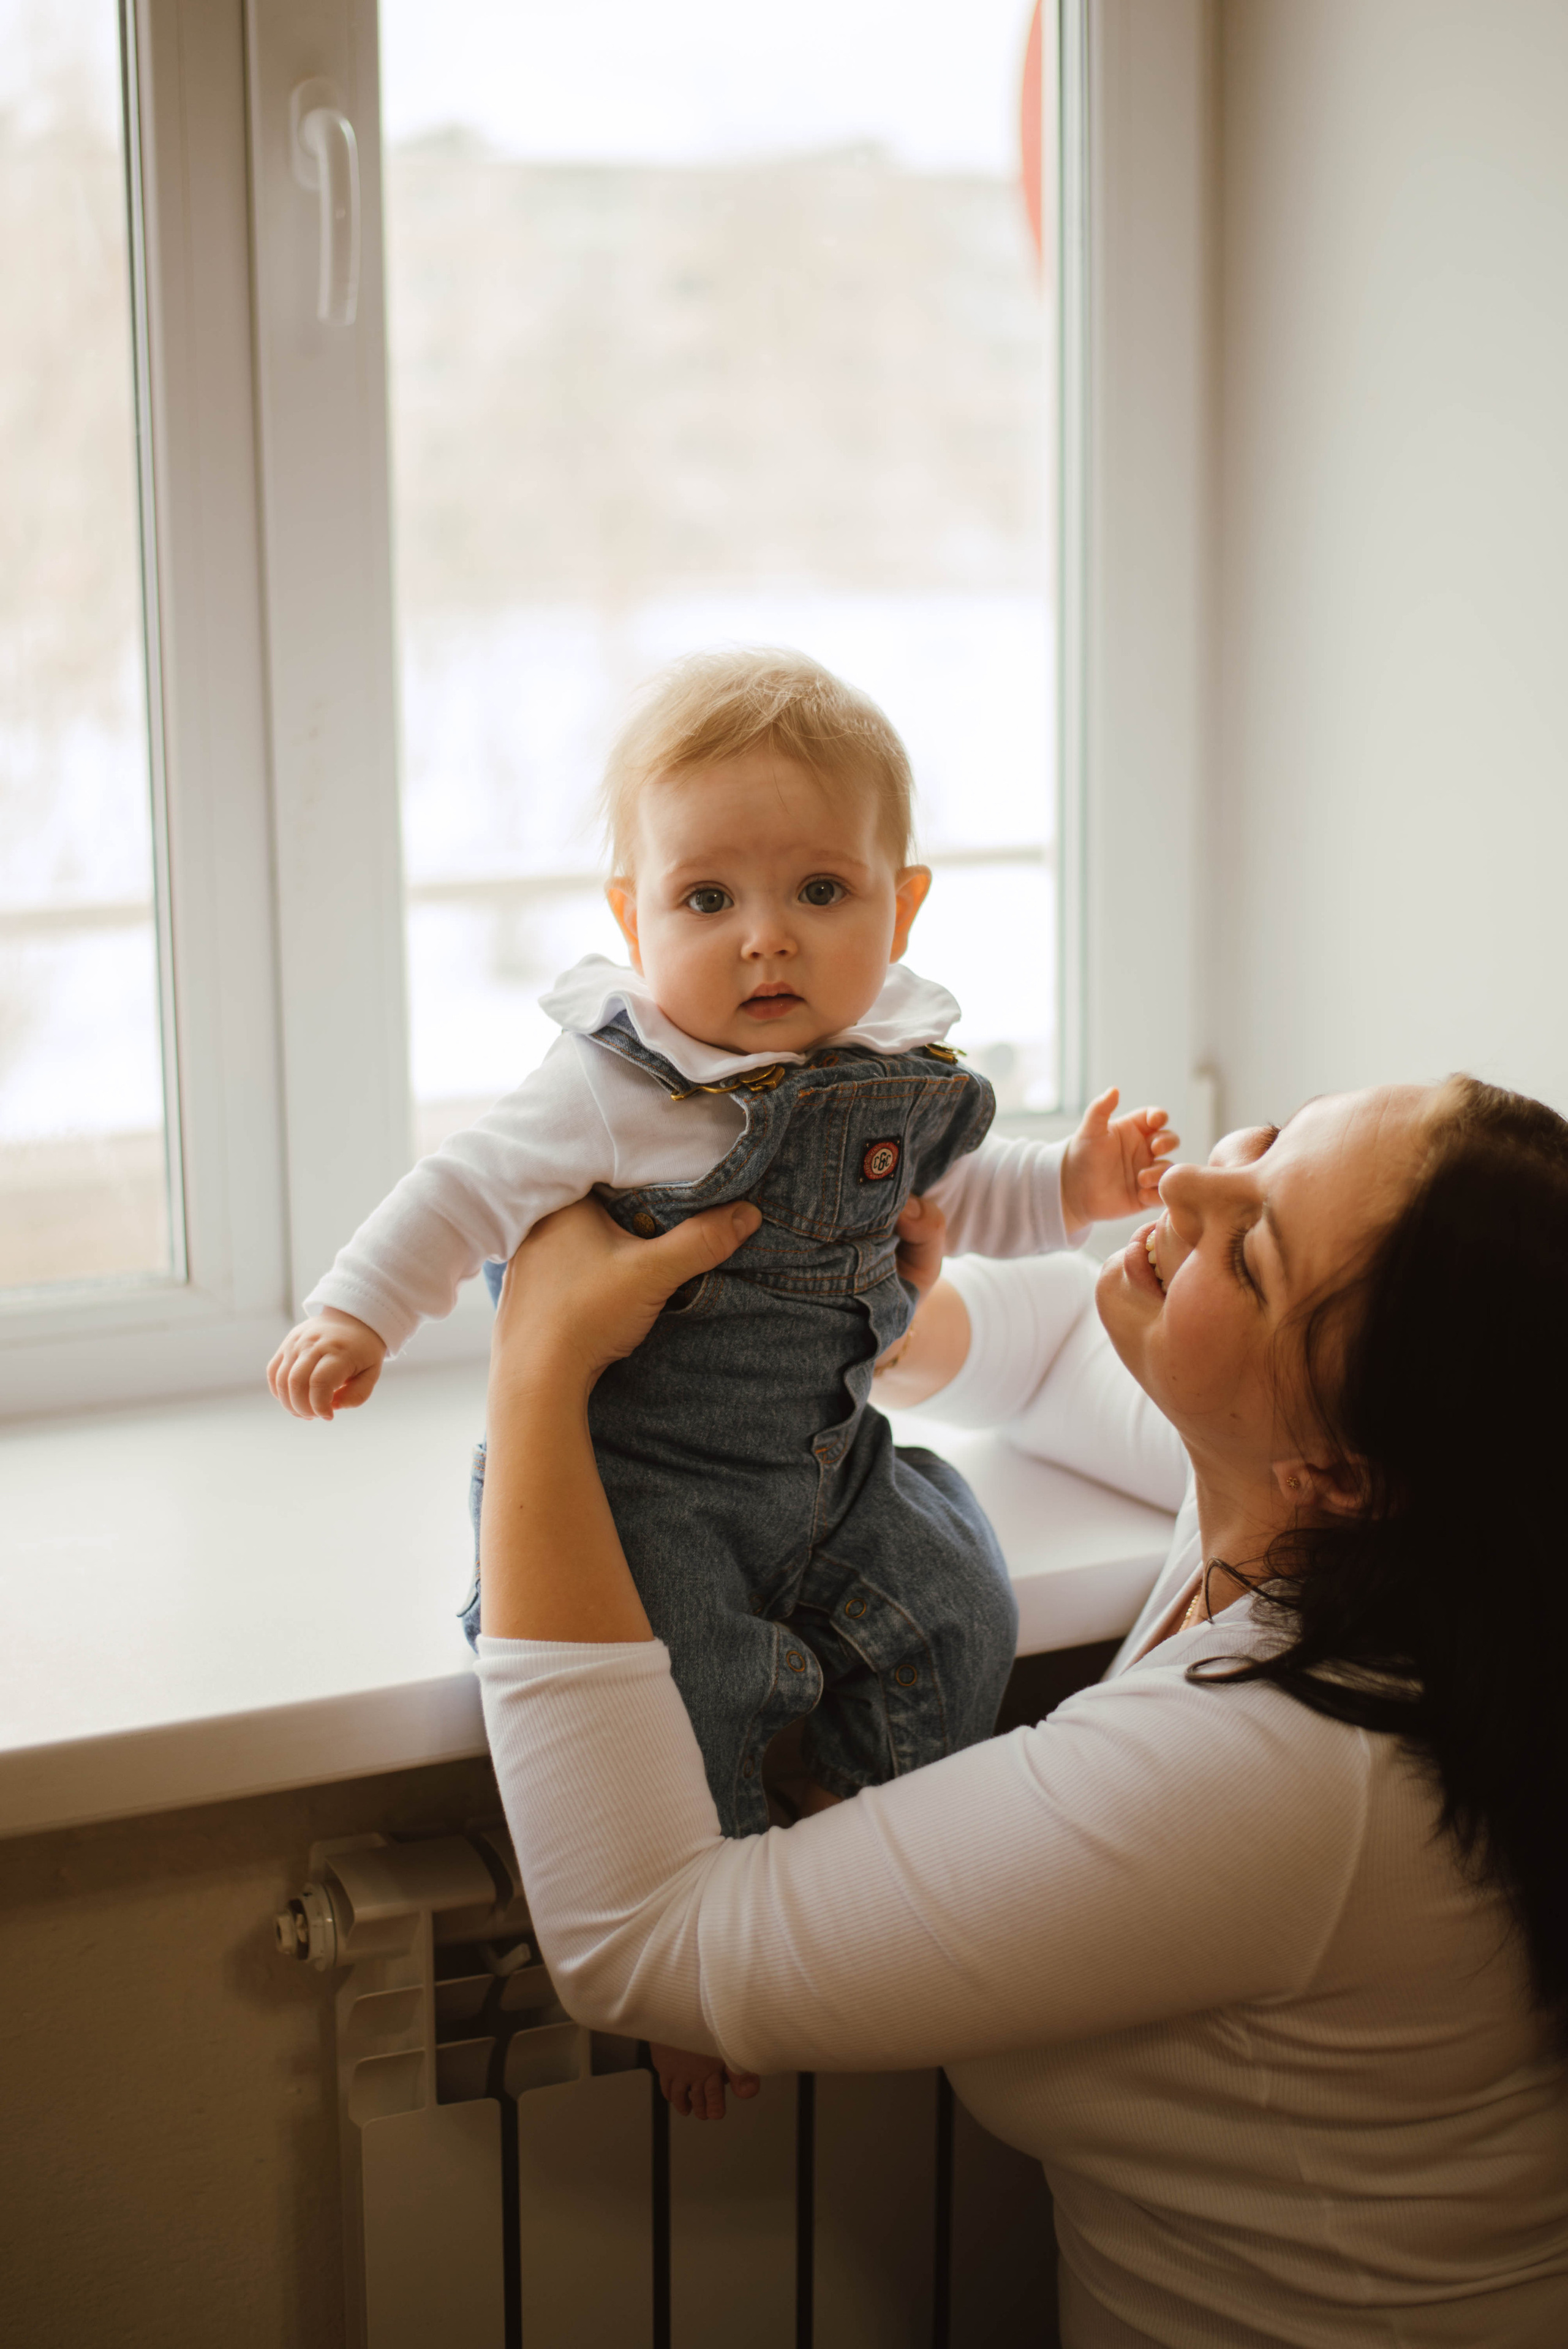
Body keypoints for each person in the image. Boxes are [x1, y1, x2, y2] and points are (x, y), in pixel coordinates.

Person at [470, 1076, 1568, 2345]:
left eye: (1252, 1250)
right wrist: (821, 1322)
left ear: (1335, 1473)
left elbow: (645, 1946)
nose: (1195, 1182)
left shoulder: (1289, 1764)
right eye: (1265, 1142)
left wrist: (539, 1371)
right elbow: (1051, 1351)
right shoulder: (1384, 1534)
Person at [266, 645, 1178, 2115]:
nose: (767, 942)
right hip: (650, 1492)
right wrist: (356, 1313)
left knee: (966, 1603)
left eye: (820, 892)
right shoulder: (619, 1084)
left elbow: (971, 1202)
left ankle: (873, 1861)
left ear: (903, 903)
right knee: (690, 1692)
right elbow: (463, 1192)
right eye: (708, 900)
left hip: (836, 1458)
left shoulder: (900, 1068)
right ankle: (710, 1974)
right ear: (632, 917)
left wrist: (1075, 1183)